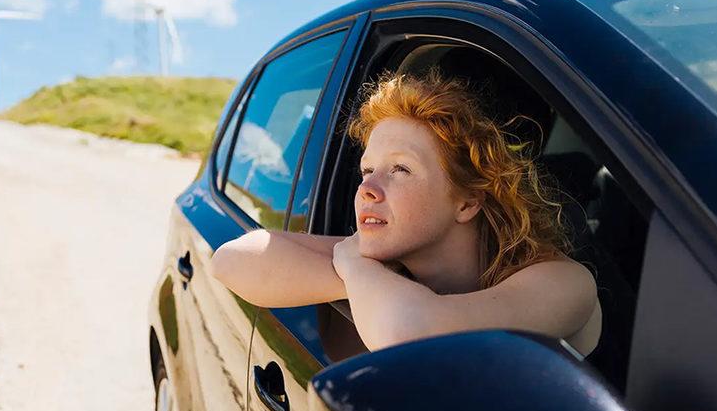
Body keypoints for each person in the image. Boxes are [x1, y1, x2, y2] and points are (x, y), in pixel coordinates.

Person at [209, 66, 602, 357]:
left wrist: (356, 267)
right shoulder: (388, 260)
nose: (366, 189)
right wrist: (360, 272)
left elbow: (410, 331)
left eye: (400, 169)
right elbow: (232, 259)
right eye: (366, 170)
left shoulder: (564, 283)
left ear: (467, 201)